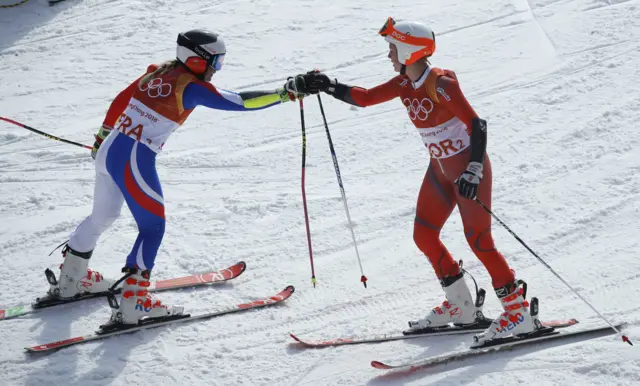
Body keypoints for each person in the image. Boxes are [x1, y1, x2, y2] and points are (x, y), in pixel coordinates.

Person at [295, 17, 537, 346]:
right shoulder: (403, 85)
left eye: (393, 48)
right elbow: (365, 97)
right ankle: (461, 307)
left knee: (479, 240)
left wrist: (474, 170)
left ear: (410, 51)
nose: (389, 55)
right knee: (424, 234)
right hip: (439, 170)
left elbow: (477, 125)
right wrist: (327, 84)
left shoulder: (440, 84)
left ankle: (517, 312)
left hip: (467, 171)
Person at [42, 29, 305, 329]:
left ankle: (71, 279)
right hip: (134, 156)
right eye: (215, 63)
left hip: (111, 149)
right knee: (152, 227)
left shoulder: (157, 72)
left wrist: (103, 135)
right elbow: (240, 102)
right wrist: (287, 93)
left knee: (103, 215)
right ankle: (133, 303)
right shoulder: (191, 88)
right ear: (197, 60)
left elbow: (121, 99)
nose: (216, 70)